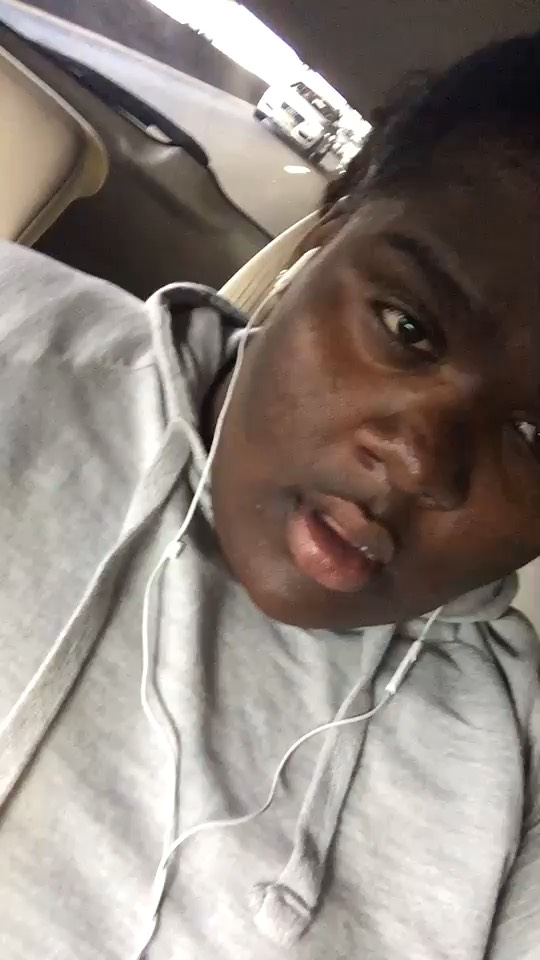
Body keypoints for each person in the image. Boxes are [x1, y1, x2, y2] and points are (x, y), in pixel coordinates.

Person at [0, 30, 539, 960]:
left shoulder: (515, 778)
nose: (419, 461)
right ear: (325, 237)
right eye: (407, 326)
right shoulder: (17, 351)